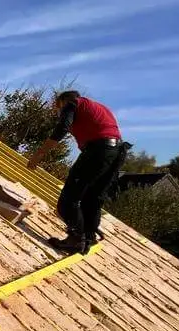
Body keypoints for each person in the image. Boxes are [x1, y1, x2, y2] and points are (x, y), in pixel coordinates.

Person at [26, 90, 130, 253]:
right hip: (117, 152)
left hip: (98, 151)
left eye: (58, 107)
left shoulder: (73, 104)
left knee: (68, 202)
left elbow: (62, 128)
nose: (59, 111)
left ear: (64, 101)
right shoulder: (98, 107)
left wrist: (38, 155)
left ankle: (77, 239)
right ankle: (89, 236)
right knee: (93, 198)